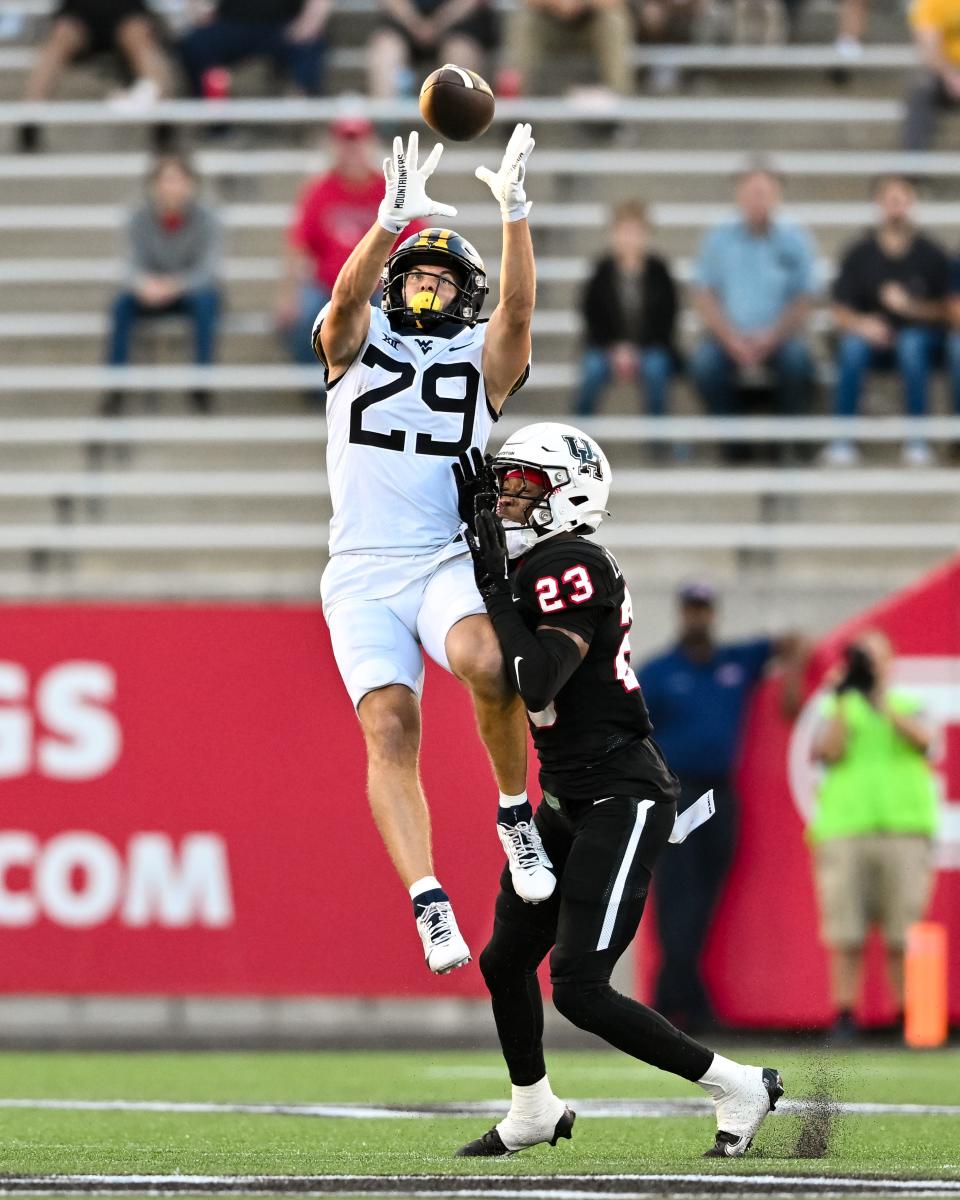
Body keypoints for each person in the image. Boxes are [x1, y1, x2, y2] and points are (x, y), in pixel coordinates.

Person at [452, 423, 783, 1161]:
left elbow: (535, 678)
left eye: (523, 485)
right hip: (571, 795)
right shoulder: (544, 561)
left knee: (577, 986)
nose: (506, 498)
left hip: (621, 794)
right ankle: (532, 1107)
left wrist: (493, 588)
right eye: (505, 483)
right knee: (506, 961)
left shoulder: (569, 561)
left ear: (567, 494)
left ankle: (737, 1083)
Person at [314, 125, 554, 976]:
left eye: (444, 277)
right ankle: (428, 898)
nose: (427, 285)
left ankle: (513, 812)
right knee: (389, 725)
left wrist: (514, 214)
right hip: (362, 573)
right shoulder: (356, 337)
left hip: (444, 555)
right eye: (417, 271)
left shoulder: (477, 354)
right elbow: (342, 308)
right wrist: (387, 221)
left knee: (490, 664)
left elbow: (520, 313)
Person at [638, 583, 807, 1032]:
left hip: (720, 794)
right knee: (677, 896)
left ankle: (671, 995)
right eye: (692, 609)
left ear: (713, 614)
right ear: (682, 613)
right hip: (678, 793)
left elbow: (793, 642)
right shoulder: (659, 671)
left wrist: (792, 685)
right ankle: (687, 1001)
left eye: (705, 610)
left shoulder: (735, 662)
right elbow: (634, 731)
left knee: (706, 896)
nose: (699, 618)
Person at [810, 630, 939, 1040]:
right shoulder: (839, 706)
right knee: (845, 930)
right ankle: (845, 1013)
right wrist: (843, 700)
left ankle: (907, 1013)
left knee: (904, 931)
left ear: (890, 662)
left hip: (903, 830)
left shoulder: (907, 703)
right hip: (846, 828)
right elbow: (827, 751)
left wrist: (879, 699)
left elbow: (924, 741)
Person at [275, 115, 428, 404]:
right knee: (305, 314)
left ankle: (382, 390)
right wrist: (288, 295)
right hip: (328, 288)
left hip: (381, 288)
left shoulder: (391, 190)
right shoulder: (319, 191)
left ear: (370, 144)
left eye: (357, 142)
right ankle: (323, 390)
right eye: (346, 143)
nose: (352, 151)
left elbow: (417, 245)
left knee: (397, 317)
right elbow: (298, 245)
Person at [823, 175, 950, 469]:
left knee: (911, 344)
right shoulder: (859, 253)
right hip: (873, 341)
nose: (897, 208)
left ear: (913, 204)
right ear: (879, 205)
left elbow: (947, 310)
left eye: (903, 201)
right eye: (891, 201)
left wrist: (911, 308)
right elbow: (839, 308)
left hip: (921, 341)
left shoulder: (931, 253)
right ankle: (843, 441)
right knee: (853, 347)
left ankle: (917, 440)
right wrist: (863, 325)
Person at [689, 165, 816, 431]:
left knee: (797, 362)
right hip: (728, 337)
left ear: (776, 196)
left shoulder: (795, 239)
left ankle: (788, 438)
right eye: (752, 192)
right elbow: (704, 295)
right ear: (739, 195)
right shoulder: (718, 238)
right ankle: (733, 438)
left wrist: (771, 337)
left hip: (781, 337)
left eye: (764, 192)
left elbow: (803, 298)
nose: (758, 199)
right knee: (704, 365)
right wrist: (730, 338)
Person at [103, 152, 222, 416]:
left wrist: (174, 285)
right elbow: (128, 264)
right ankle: (116, 385)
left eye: (178, 180)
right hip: (150, 292)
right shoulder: (138, 218)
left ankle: (201, 384)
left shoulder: (208, 218)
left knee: (207, 302)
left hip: (189, 292)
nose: (172, 187)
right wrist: (143, 284)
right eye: (166, 180)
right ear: (154, 184)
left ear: (191, 184)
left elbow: (209, 270)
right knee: (121, 306)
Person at [573, 201, 678, 430]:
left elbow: (667, 320)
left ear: (646, 235)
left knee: (656, 368)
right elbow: (591, 317)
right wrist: (614, 349)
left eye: (635, 232)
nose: (629, 238)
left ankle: (658, 438)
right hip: (606, 349)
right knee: (591, 369)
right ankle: (577, 436)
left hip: (650, 348)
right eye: (623, 231)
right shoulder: (600, 271)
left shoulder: (660, 271)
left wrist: (636, 350)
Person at [16, 0, 171, 153]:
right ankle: (31, 118)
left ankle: (161, 116)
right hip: (81, 12)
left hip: (126, 9)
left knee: (138, 35)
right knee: (60, 36)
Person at [179, 0, 329, 99]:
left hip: (284, 25)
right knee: (195, 44)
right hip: (231, 23)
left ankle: (301, 112)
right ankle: (214, 122)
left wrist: (310, 22)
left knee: (310, 45)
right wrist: (198, 10)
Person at [367, 0, 499, 99]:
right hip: (405, 21)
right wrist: (415, 24)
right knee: (386, 50)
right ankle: (386, 127)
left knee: (460, 52)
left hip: (461, 23)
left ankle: (460, 125)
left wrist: (438, 24)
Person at [507, 0, 634, 98]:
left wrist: (581, 3)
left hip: (591, 27)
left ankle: (619, 103)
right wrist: (558, 3)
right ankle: (517, 101)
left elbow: (618, 3)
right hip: (549, 26)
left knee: (614, 21)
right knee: (524, 21)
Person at [903, 0, 960, 151]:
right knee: (923, 87)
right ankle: (912, 165)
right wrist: (950, 74)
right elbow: (929, 48)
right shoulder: (933, 3)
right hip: (947, 72)